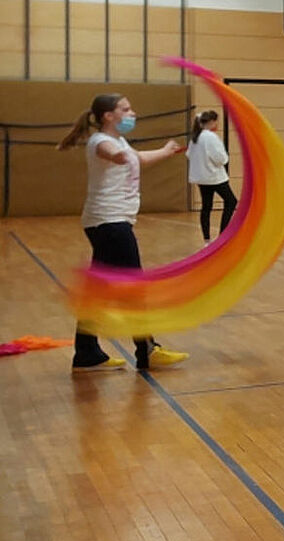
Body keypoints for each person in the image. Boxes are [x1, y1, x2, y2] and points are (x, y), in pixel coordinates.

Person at [57, 93, 190, 371]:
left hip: (109, 222)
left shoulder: (119, 141)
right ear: (109, 116)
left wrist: (166, 152)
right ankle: (147, 349)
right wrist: (122, 154)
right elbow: (116, 156)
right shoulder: (101, 142)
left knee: (99, 291)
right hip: (109, 223)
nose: (132, 113)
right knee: (134, 287)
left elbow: (136, 158)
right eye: (126, 109)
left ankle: (87, 353)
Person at [187, 110, 237, 244]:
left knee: (206, 206)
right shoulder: (210, 137)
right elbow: (221, 158)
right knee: (231, 201)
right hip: (214, 177)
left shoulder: (195, 137)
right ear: (211, 122)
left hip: (201, 178)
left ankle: (207, 240)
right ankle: (223, 236)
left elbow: (189, 155)